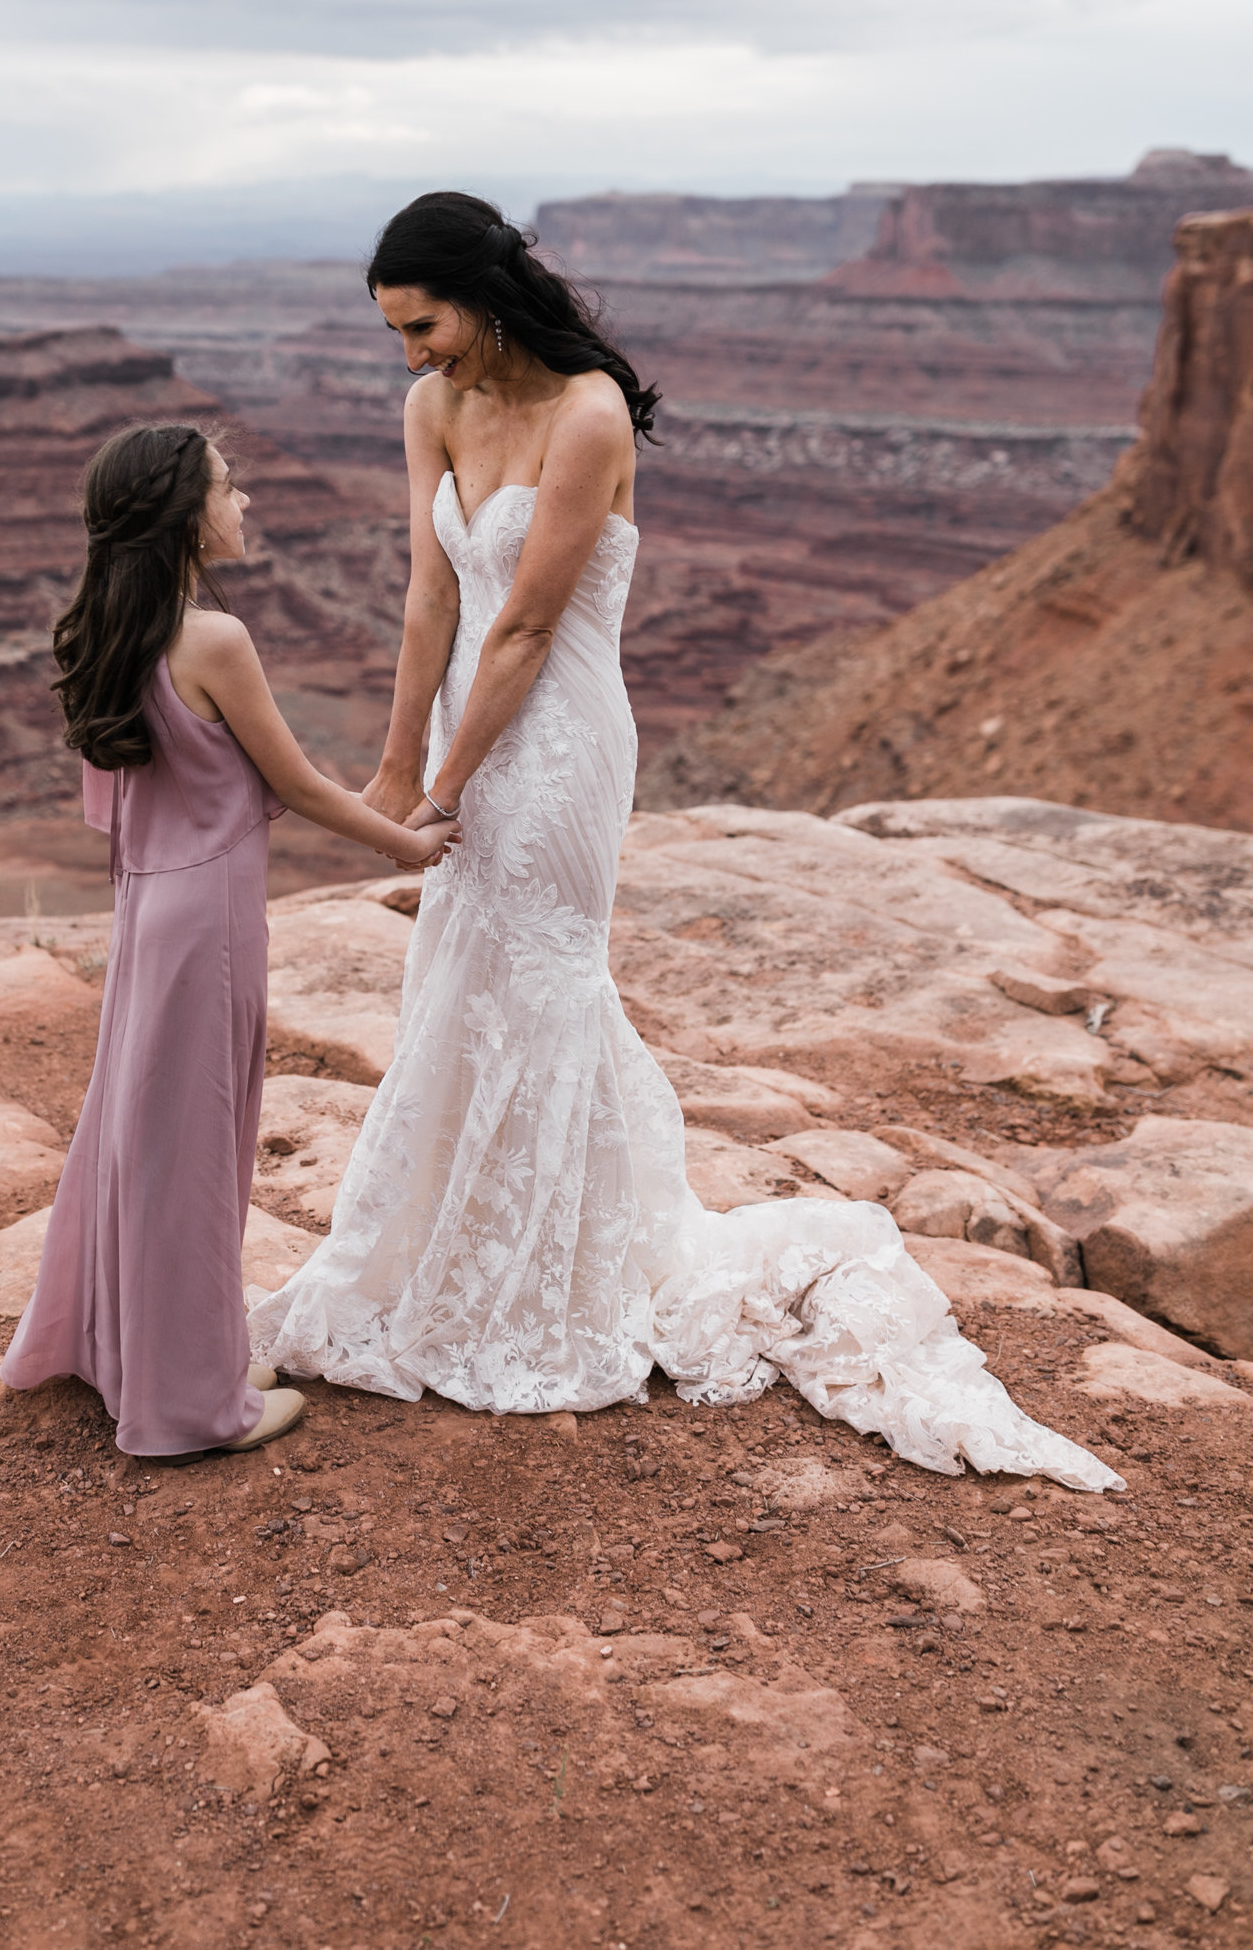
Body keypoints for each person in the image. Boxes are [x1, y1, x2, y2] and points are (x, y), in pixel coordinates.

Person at [247, 193, 1120, 1492]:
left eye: (420, 326)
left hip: (552, 748)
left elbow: (531, 633)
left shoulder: (585, 412)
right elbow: (432, 592)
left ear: (480, 297)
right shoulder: (431, 407)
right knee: (463, 979)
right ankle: (462, 1246)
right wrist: (391, 772)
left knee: (540, 983)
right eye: (392, 334)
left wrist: (446, 781)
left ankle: (548, 1285)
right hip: (460, 724)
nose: (408, 355)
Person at [0, 422, 457, 1458]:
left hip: (146, 911)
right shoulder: (214, 640)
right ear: (182, 516)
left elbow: (156, 799)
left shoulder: (105, 629)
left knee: (139, 1140)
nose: (243, 501)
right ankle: (191, 1406)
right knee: (197, 1151)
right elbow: (292, 783)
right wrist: (408, 844)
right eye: (227, 485)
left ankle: (150, 1354)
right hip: (207, 924)